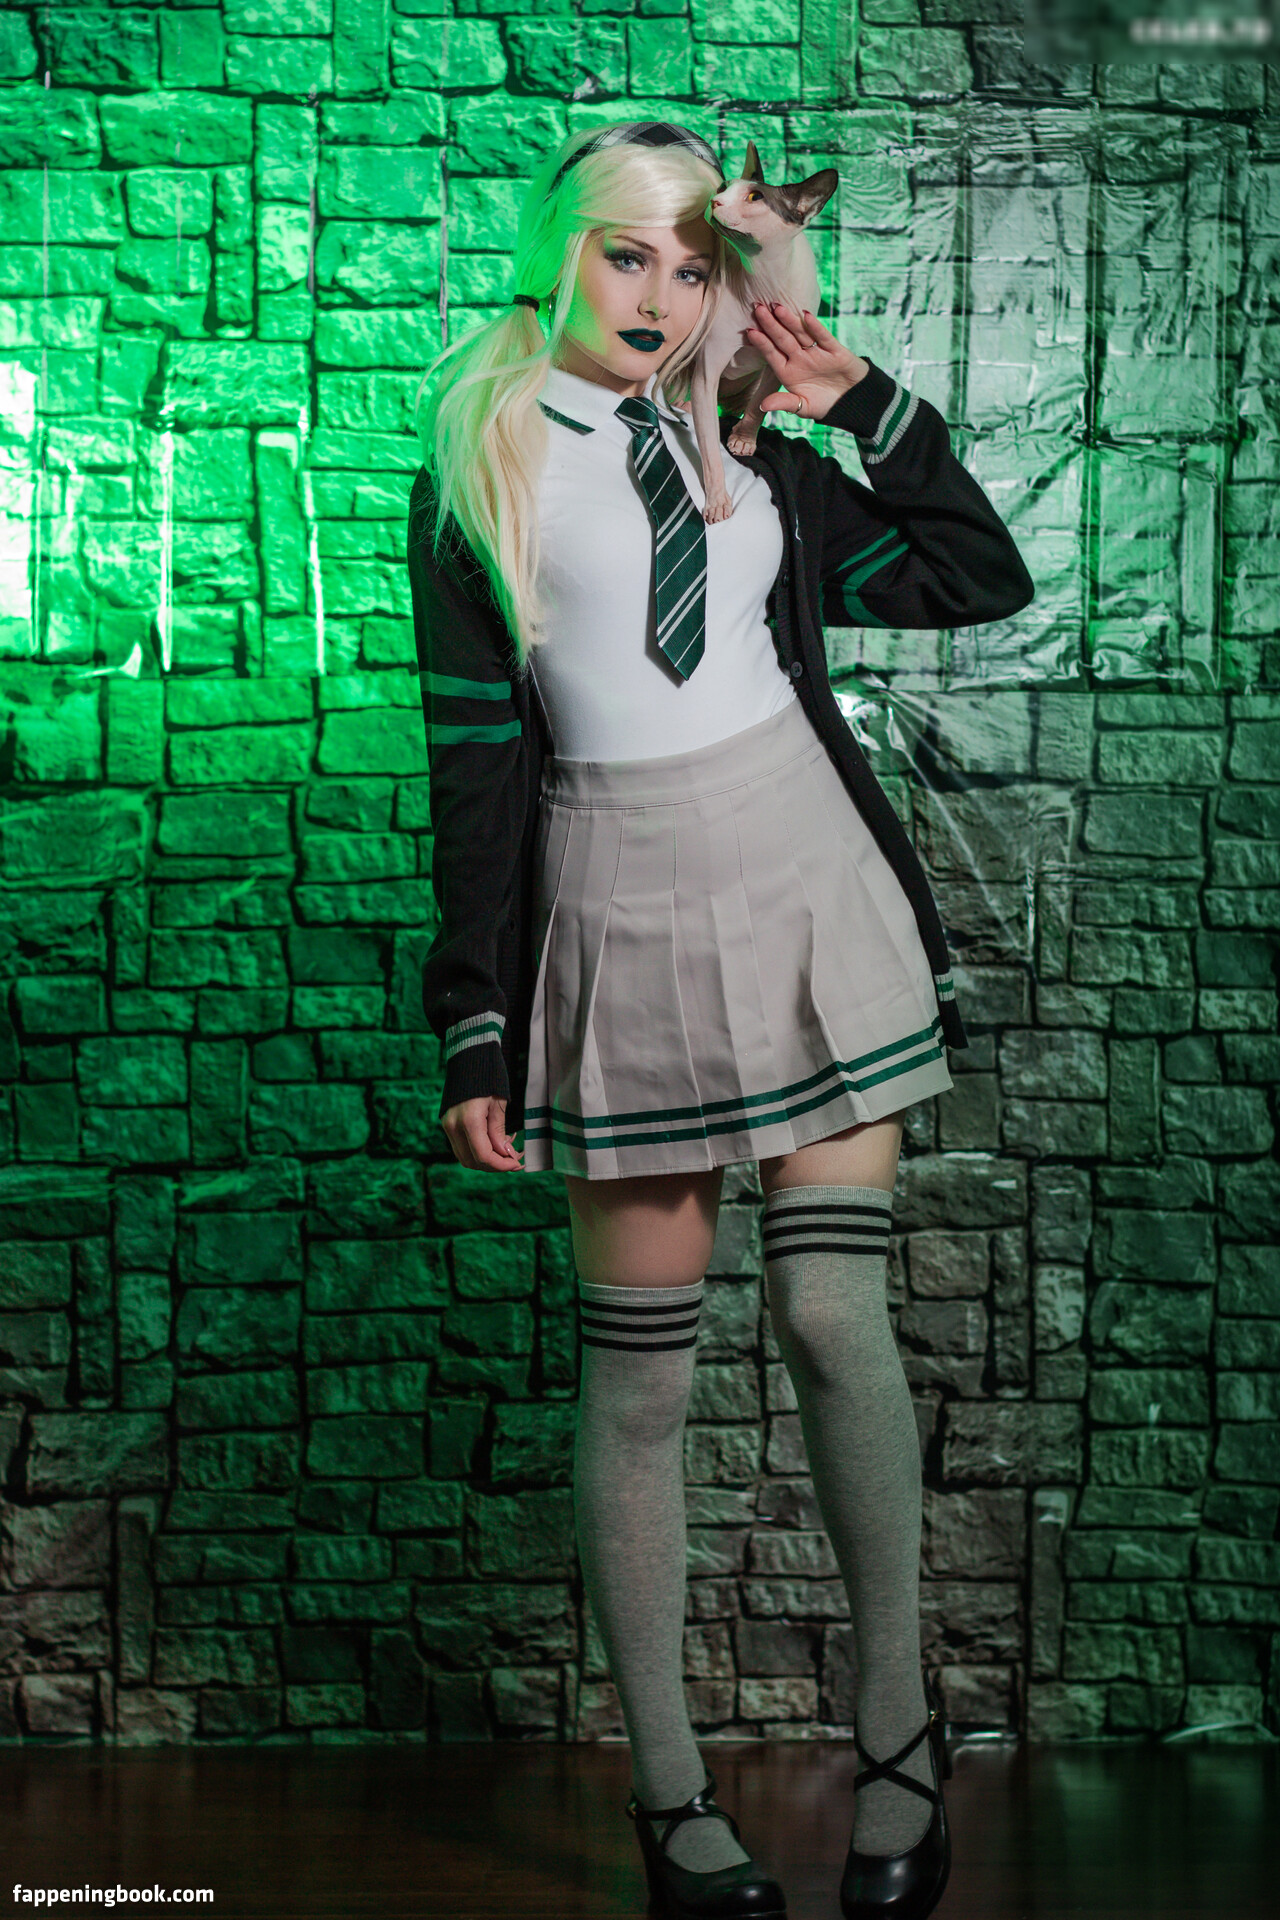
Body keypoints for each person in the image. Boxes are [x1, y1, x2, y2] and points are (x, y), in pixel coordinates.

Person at [407, 120, 1033, 1920]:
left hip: (804, 881)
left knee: (833, 1312)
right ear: (562, 248)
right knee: (644, 1379)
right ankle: (671, 1800)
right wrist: (474, 1020)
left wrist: (856, 398)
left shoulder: (751, 454)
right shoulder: (480, 467)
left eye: (695, 271)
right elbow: (474, 766)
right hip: (617, 909)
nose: (660, 300)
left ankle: (900, 1744)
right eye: (631, 257)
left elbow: (977, 576)